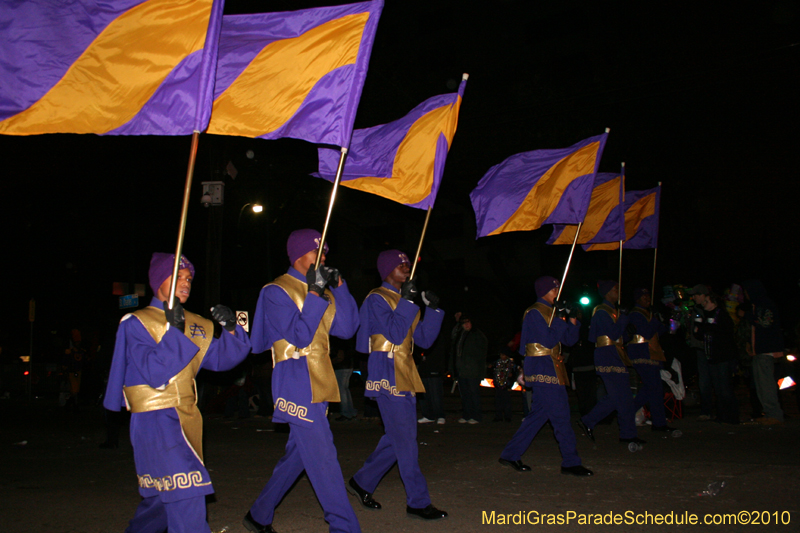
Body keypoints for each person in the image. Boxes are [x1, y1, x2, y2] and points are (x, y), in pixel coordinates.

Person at [103, 252, 252, 533]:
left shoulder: (196, 323)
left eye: (189, 278)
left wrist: (232, 329)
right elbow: (154, 372)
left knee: (161, 502)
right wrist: (175, 330)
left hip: (186, 418)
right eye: (178, 277)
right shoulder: (137, 322)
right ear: (158, 280)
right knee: (188, 492)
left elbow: (222, 360)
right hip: (154, 420)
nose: (186, 283)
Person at [244, 229, 360, 533]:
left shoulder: (321, 289)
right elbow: (298, 335)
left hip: (320, 377)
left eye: (325, 252)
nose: (323, 257)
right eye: (317, 251)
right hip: (294, 376)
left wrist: (340, 287)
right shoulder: (275, 290)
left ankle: (259, 514)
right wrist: (314, 293)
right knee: (322, 455)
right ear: (298, 255)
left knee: (299, 455)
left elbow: (347, 329)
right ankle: (344, 527)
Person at [348, 250, 447, 521]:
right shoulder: (376, 298)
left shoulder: (405, 299)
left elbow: (424, 340)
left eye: (408, 264)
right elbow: (393, 332)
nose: (406, 267)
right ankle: (417, 501)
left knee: (398, 437)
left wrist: (433, 310)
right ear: (386, 270)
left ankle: (362, 482)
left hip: (405, 370)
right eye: (400, 264)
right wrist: (407, 301)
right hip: (386, 371)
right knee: (405, 440)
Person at [499, 276, 593, 477]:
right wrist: (560, 318)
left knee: (538, 416)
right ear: (544, 290)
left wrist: (573, 319)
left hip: (553, 367)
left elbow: (568, 340)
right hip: (542, 367)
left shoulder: (552, 311)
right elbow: (548, 340)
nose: (557, 291)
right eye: (554, 288)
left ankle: (510, 454)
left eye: (558, 287)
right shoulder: (535, 311)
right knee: (561, 416)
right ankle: (570, 461)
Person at [577, 281, 643, 445]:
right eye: (615, 290)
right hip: (607, 355)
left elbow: (619, 337)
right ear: (607, 293)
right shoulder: (601, 311)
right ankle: (591, 421)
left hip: (616, 354)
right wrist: (624, 319)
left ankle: (626, 433)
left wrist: (628, 331)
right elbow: (612, 334)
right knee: (619, 396)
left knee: (623, 397)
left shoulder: (614, 311)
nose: (618, 292)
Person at [628, 288, 676, 432]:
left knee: (655, 389)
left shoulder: (648, 313)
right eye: (643, 296)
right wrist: (656, 321)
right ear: (637, 299)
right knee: (652, 388)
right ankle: (629, 413)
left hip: (652, 354)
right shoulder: (635, 314)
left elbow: (660, 331)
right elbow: (647, 332)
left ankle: (658, 422)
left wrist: (667, 323)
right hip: (642, 354)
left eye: (648, 296)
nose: (647, 299)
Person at [690, 284, 739, 424]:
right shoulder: (705, 316)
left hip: (723, 356)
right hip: (711, 356)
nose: (703, 304)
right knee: (718, 388)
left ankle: (732, 416)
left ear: (713, 302)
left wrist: (706, 328)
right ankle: (721, 415)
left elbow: (724, 331)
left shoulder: (721, 314)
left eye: (706, 301)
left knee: (725, 388)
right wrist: (698, 329)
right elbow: (700, 334)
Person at [742, 280, 785, 425]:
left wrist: (747, 316)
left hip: (766, 351)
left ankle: (774, 414)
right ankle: (768, 413)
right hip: (759, 351)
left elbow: (765, 323)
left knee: (766, 384)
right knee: (761, 385)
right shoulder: (758, 306)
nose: (745, 295)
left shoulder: (766, 305)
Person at [453, 314, 488, 423]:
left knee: (474, 393)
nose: (467, 325)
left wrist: (475, 366)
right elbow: (455, 351)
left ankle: (476, 416)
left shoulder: (477, 334)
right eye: (464, 322)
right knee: (464, 394)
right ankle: (467, 415)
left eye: (469, 322)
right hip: (461, 370)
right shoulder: (460, 335)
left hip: (473, 370)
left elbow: (482, 352)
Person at [417, 327, 449, 424]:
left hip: (434, 369)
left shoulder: (437, 335)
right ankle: (427, 415)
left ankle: (440, 415)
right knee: (423, 394)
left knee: (436, 394)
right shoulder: (419, 335)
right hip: (423, 370)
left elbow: (441, 352)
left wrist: (441, 369)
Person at [332, 337, 357, 421]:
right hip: (348, 365)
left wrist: (332, 362)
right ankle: (351, 411)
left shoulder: (339, 340)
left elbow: (340, 356)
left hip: (341, 367)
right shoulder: (348, 339)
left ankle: (345, 412)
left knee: (342, 390)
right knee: (345, 389)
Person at [492, 347, 517, 422]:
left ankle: (507, 416)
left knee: (507, 402)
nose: (502, 356)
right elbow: (494, 372)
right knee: (498, 401)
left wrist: (511, 377)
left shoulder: (511, 364)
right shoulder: (497, 362)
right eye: (501, 355)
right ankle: (498, 416)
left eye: (503, 355)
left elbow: (515, 374)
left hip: (507, 385)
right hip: (498, 385)